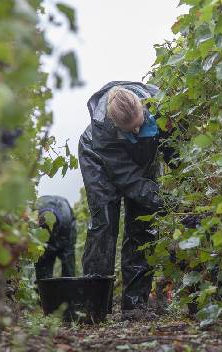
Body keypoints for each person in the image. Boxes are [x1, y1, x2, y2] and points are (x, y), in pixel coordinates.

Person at [78, 81, 169, 321]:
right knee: (104, 223)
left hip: (143, 159)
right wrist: (165, 202)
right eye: (130, 130)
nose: (137, 132)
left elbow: (173, 147)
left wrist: (182, 190)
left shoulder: (161, 104)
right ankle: (95, 306)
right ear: (116, 124)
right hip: (97, 157)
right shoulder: (102, 130)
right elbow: (128, 179)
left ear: (143, 108)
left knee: (143, 222)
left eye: (139, 124)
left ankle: (134, 306)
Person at [35, 195, 76, 280]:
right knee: (42, 270)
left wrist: (56, 247)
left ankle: (69, 289)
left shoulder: (66, 219)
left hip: (65, 236)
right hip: (42, 240)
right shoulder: (34, 214)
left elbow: (67, 245)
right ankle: (43, 290)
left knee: (68, 267)